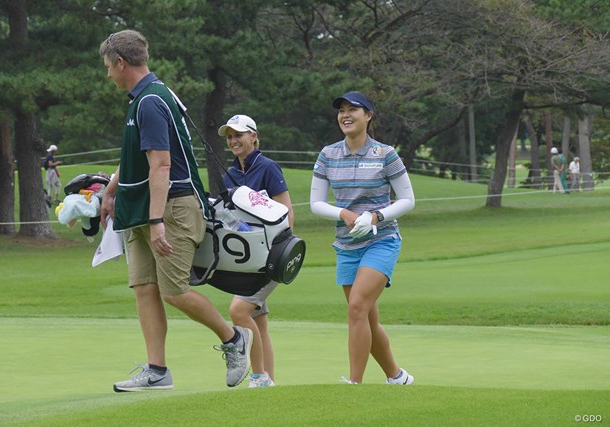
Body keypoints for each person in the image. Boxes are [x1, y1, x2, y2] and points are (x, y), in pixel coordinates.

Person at [98, 29, 252, 392]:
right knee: (145, 288)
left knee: (173, 290)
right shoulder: (142, 99)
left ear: (121, 63)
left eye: (108, 67)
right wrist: (110, 190)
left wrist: (155, 222)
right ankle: (157, 370)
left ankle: (234, 339)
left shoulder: (151, 101)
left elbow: (162, 166)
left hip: (172, 208)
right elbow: (135, 159)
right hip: (142, 209)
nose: (108, 74)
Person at [310, 91, 415, 385]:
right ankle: (396, 376)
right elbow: (316, 203)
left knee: (357, 307)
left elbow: (407, 199)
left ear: (368, 116)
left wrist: (376, 216)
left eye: (353, 109)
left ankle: (354, 384)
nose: (345, 115)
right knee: (366, 316)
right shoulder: (328, 154)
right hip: (346, 244)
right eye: (341, 110)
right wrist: (343, 213)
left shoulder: (385, 154)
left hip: (382, 240)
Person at [218, 114, 294, 388]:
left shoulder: (268, 168)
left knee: (239, 310)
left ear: (253, 136)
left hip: (273, 255)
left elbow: (286, 214)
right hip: (247, 257)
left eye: (238, 134)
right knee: (258, 321)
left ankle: (259, 376)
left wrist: (279, 252)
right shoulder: (230, 173)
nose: (233, 140)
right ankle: (268, 381)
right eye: (229, 136)